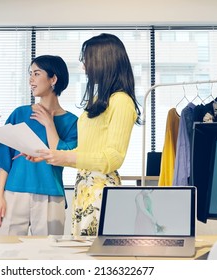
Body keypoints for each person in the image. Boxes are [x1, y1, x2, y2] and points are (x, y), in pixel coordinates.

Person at [28, 33, 141, 236]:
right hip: (84, 189)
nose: (84, 67)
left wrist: (60, 156)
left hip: (102, 192)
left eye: (87, 60)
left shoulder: (122, 101)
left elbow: (113, 158)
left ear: (104, 61)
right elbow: (85, 152)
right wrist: (48, 156)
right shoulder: (99, 100)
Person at [0, 55, 78, 236]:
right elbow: (4, 159)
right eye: (30, 74)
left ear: (53, 79)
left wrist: (49, 124)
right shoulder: (19, 114)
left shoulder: (72, 122)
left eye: (37, 74)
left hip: (51, 195)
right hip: (14, 192)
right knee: (6, 253)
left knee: (48, 255)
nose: (31, 80)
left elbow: (62, 157)